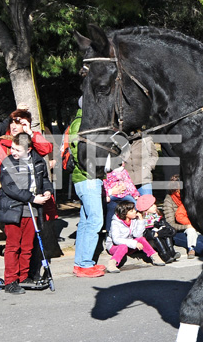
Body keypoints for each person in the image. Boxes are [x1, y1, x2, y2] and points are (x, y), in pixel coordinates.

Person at [0, 133, 53, 295]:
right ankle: (10, 280)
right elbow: (10, 188)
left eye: (17, 150)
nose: (13, 152)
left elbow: (44, 180)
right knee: (13, 246)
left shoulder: (38, 161)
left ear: (28, 149)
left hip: (32, 209)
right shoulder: (8, 163)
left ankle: (23, 276)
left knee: (28, 246)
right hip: (14, 208)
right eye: (12, 148)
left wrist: (48, 191)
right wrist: (32, 198)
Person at [68, 101, 106, 278]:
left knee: (85, 222)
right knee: (95, 221)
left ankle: (81, 263)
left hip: (86, 177)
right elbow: (78, 151)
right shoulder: (83, 121)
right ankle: (84, 264)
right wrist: (92, 170)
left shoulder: (82, 120)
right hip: (88, 178)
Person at [103, 200, 164, 272]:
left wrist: (141, 221)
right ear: (124, 213)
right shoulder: (115, 222)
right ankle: (112, 263)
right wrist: (134, 243)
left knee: (141, 239)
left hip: (130, 245)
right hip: (115, 246)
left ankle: (154, 256)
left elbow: (137, 235)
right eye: (132, 211)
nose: (135, 212)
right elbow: (116, 240)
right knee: (123, 246)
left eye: (134, 209)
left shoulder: (134, 220)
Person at [161, 174, 202, 259]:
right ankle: (191, 249)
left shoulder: (190, 197)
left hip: (195, 227)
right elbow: (170, 223)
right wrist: (187, 226)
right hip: (179, 231)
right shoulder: (169, 200)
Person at [135, 193, 180, 263]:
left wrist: (168, 230)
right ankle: (164, 255)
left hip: (160, 235)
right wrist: (154, 234)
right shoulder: (143, 220)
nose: (154, 206)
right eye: (151, 206)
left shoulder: (158, 215)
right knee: (157, 237)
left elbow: (169, 227)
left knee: (166, 234)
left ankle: (172, 252)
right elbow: (143, 233)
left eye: (154, 204)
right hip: (150, 240)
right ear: (145, 209)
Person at [102, 161, 139, 232]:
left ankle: (134, 227)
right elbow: (105, 184)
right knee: (111, 208)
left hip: (124, 194)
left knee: (134, 204)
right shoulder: (107, 172)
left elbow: (129, 183)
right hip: (112, 194)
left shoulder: (123, 172)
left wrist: (135, 194)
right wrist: (107, 194)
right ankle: (109, 229)